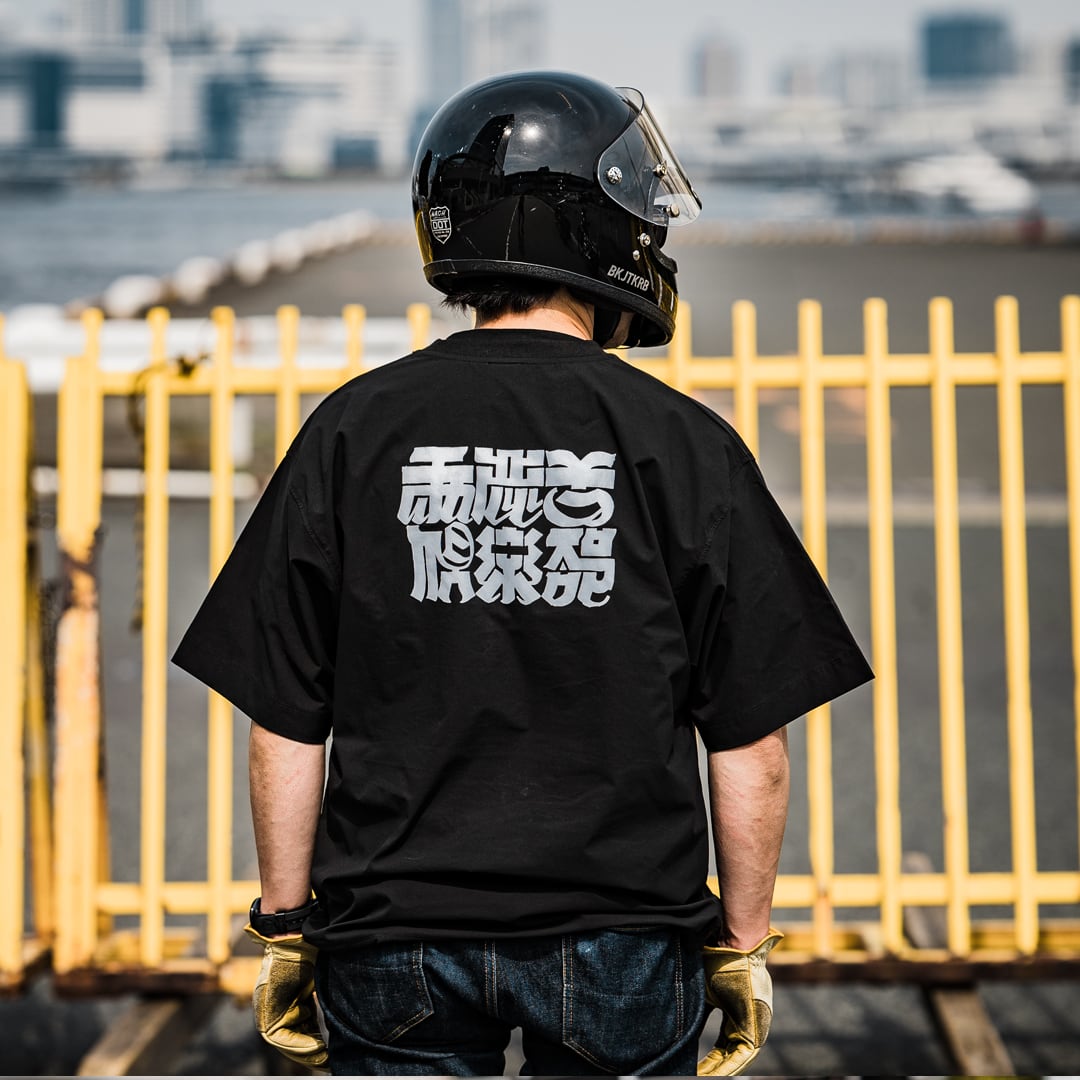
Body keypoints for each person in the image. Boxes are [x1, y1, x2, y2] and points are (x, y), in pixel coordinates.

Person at [173, 70, 873, 1077]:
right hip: (623, 936)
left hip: (392, 932)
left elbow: (284, 722)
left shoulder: (352, 430)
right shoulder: (685, 444)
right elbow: (750, 744)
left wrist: (285, 927)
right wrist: (743, 944)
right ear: (592, 224)